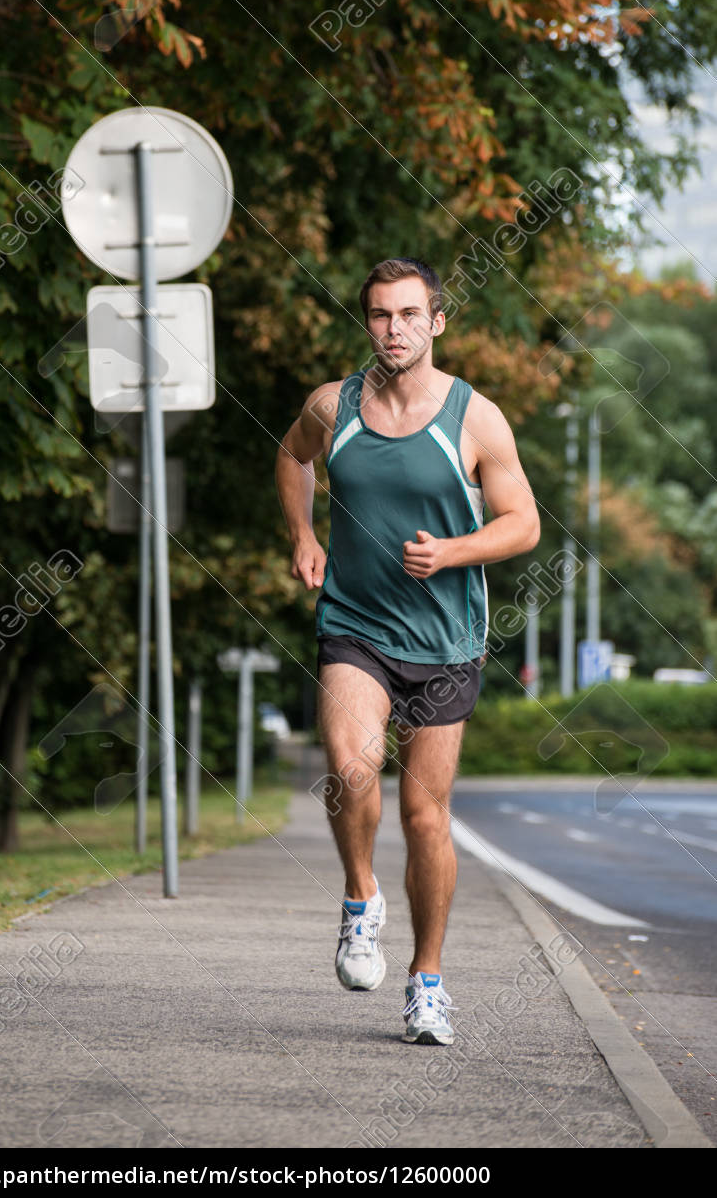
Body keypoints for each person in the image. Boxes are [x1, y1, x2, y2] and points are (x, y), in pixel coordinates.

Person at [275, 258, 539, 1044]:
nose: (394, 329)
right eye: (381, 316)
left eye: (409, 315)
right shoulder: (333, 407)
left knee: (426, 815)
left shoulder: (475, 418)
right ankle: (361, 904)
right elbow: (292, 456)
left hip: (447, 638)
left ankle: (427, 982)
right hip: (355, 623)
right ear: (369, 323)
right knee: (351, 767)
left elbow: (523, 523)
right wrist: (303, 535)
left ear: (437, 322)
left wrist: (452, 552)